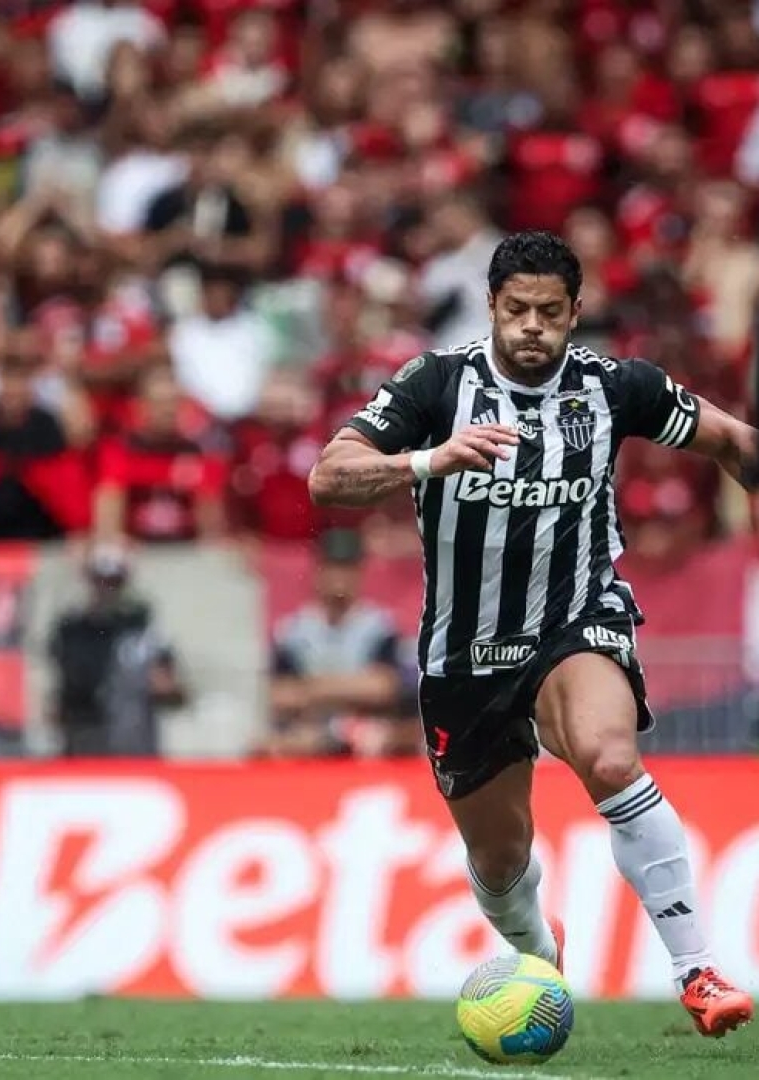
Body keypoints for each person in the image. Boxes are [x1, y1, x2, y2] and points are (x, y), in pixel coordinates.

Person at [309, 230, 754, 1037]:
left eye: (551, 311)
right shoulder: (437, 384)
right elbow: (328, 476)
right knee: (501, 862)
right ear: (491, 307)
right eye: (516, 309)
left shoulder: (616, 386)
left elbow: (730, 441)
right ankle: (540, 952)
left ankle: (699, 971)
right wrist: (428, 461)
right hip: (464, 657)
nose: (533, 326)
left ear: (577, 312)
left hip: (574, 620)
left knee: (610, 757)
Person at [264, 528, 416, 758]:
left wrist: (312, 689)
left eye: (347, 568)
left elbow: (384, 687)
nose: (339, 577)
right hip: (309, 738)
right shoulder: (293, 630)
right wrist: (351, 688)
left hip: (364, 739)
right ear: (319, 570)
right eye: (333, 567)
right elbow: (280, 695)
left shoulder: (379, 626)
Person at [48, 544, 186, 756]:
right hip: (84, 742)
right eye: (100, 580)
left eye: (114, 581)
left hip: (135, 744)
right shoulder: (72, 630)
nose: (106, 588)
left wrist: (166, 687)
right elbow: (61, 689)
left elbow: (171, 688)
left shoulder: (144, 628)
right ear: (89, 581)